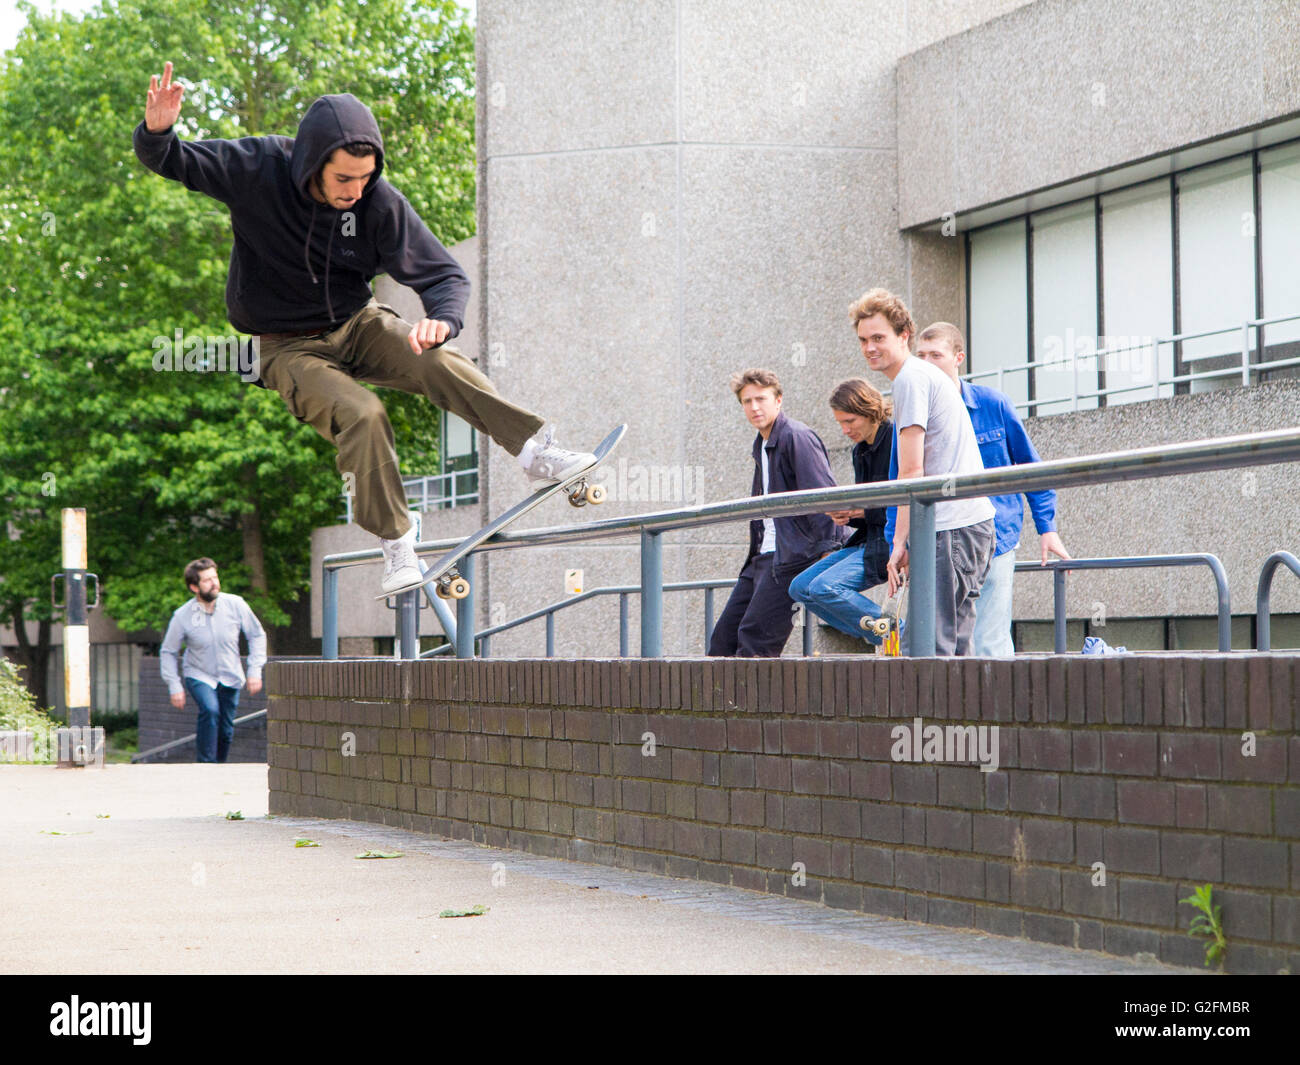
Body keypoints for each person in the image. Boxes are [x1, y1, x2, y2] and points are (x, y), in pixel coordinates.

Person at [133, 63, 595, 595]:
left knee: (438, 359)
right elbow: (172, 160)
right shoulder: (258, 167)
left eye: (364, 177)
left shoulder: (378, 202)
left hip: (358, 322)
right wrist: (158, 131)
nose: (355, 190)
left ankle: (536, 451)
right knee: (363, 413)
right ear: (312, 164)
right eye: (343, 179)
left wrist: (442, 320)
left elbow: (443, 273)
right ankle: (398, 543)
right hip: (286, 348)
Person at [916, 322, 1071, 655]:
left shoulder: (993, 404)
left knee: (990, 638)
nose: (927, 363)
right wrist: (895, 543)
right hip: (941, 539)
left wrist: (1047, 528)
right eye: (921, 356)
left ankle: (997, 706)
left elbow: (1032, 468)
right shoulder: (915, 413)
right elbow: (901, 482)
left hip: (997, 535)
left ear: (958, 357)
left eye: (936, 355)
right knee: (940, 638)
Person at [855, 288, 995, 656]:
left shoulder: (910, 379)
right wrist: (903, 538)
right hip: (967, 525)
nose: (870, 347)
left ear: (904, 336)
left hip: (951, 528)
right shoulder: (921, 376)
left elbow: (912, 470)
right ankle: (960, 716)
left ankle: (929, 716)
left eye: (879, 338)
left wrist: (900, 541)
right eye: (863, 340)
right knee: (955, 647)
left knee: (929, 648)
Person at [708, 369, 845, 658]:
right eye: (747, 401)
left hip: (794, 557)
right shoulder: (762, 444)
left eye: (761, 398)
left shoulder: (796, 437)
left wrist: (827, 551)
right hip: (762, 555)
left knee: (756, 641)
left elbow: (823, 495)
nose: (754, 407)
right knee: (723, 640)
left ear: (778, 400)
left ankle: (749, 703)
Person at [788, 379, 894, 645]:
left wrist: (862, 511)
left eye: (850, 421)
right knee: (800, 588)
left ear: (870, 411)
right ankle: (878, 634)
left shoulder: (896, 440)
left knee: (825, 587)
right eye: (840, 423)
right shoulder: (860, 450)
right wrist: (849, 514)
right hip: (866, 540)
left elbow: (905, 506)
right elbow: (869, 509)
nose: (845, 430)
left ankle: (896, 632)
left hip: (892, 541)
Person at [160, 558, 267, 764]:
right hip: (198, 674)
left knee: (226, 730)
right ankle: (206, 765)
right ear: (194, 587)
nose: (214, 583)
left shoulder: (236, 604)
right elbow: (168, 651)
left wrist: (254, 671)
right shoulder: (182, 615)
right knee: (210, 710)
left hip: (230, 674)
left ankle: (219, 767)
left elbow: (257, 635)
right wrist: (174, 685)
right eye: (207, 580)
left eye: (215, 577)